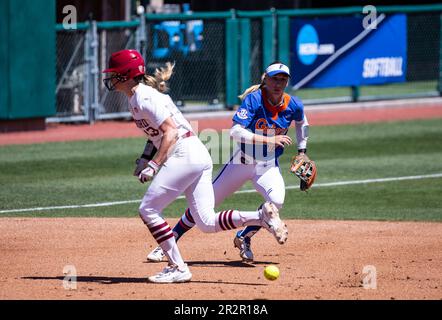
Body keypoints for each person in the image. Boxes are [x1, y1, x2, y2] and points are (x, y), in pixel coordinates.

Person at [102, 49, 288, 283]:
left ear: (126, 75)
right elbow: (156, 134)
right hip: (196, 154)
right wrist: (143, 158)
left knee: (148, 209)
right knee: (207, 222)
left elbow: (170, 132)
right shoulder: (137, 97)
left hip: (185, 154)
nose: (110, 78)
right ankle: (261, 216)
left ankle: (177, 266)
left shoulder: (144, 97)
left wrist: (153, 165)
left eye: (114, 73)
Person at [147, 61, 309, 263]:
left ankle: (244, 236)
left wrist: (302, 151)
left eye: (283, 80)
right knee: (206, 204)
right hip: (241, 163)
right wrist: (270, 139)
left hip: (267, 165)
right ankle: (169, 242)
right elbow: (235, 131)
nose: (278, 83)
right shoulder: (254, 100)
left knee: (276, 202)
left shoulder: (293, 104)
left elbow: (303, 123)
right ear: (265, 79)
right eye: (274, 78)